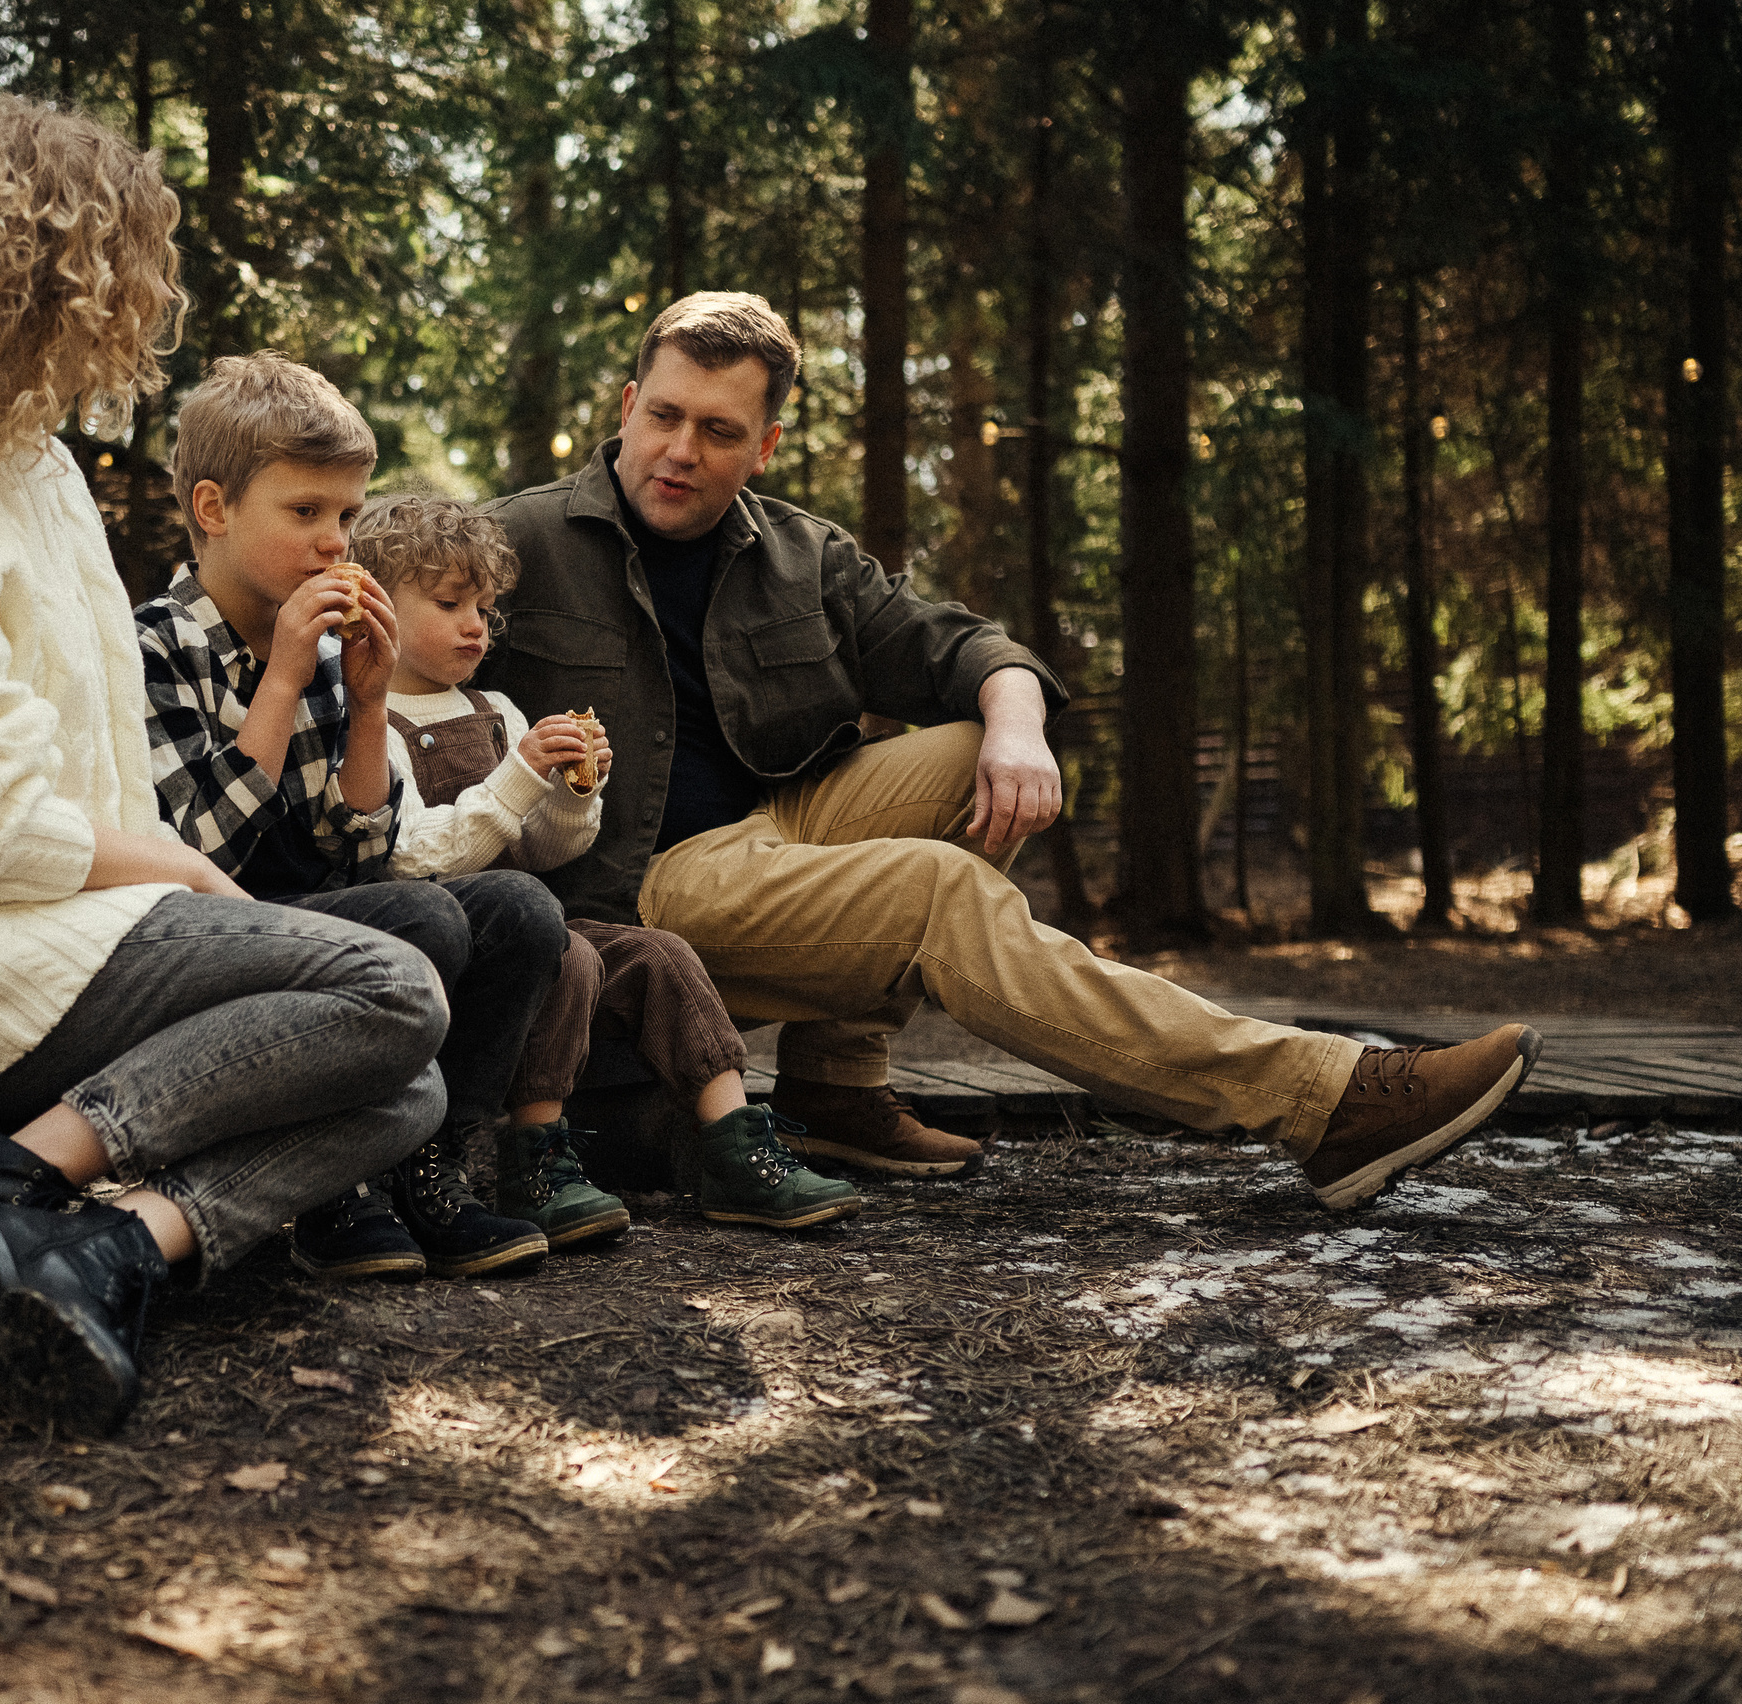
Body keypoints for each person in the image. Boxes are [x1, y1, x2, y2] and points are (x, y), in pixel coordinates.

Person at [479, 291, 1539, 1211]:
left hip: (772, 831)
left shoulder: (800, 554)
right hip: (632, 896)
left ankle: (838, 1087)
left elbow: (961, 646)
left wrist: (1019, 728)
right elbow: (380, 591)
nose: (680, 450)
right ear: (626, 408)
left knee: (971, 752)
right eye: (663, 416)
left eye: (718, 431)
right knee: (936, 889)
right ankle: (1319, 1098)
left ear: (763, 447)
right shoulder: (518, 544)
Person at [0, 100, 450, 1435]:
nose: (136, 305)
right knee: (394, 987)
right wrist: (183, 867)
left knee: (403, 1083)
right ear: (44, 275)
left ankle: (108, 1252)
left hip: (57, 935)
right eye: (120, 270)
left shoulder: (35, 469)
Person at [133, 352, 562, 1281]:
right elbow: (195, 848)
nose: (338, 544)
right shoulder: (155, 647)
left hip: (329, 925)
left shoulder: (333, 655)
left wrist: (366, 705)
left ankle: (428, 1164)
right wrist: (282, 680)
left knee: (519, 910)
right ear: (213, 510)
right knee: (424, 917)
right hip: (212, 940)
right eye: (306, 513)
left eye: (348, 516)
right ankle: (334, 1181)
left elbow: (363, 852)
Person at [359, 492, 863, 1238]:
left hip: (540, 918)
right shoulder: (372, 723)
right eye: (449, 603)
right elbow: (416, 859)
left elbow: (546, 850)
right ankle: (532, 1160)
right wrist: (520, 777)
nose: (475, 625)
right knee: (568, 956)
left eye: (486, 608)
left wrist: (572, 791)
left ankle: (736, 1147)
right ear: (380, 606)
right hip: (460, 953)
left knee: (659, 954)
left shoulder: (496, 708)